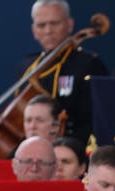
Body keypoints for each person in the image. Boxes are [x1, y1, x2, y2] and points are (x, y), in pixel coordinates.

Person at [19, 0, 108, 145]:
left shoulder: (88, 64)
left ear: (69, 24)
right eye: (41, 25)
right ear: (34, 30)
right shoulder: (26, 67)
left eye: (54, 23)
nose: (48, 31)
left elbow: (97, 120)